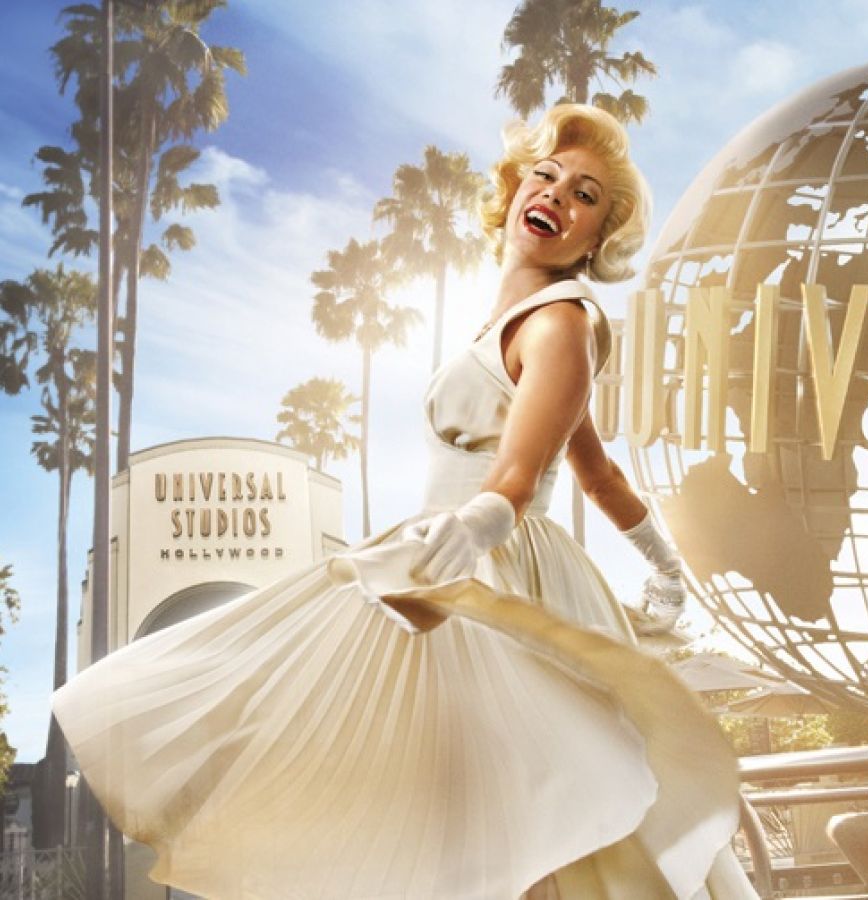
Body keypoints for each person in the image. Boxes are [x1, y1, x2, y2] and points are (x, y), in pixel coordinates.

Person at [51, 103, 757, 899]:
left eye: (587, 195)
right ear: (516, 187)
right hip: (453, 557)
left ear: (597, 240)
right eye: (547, 174)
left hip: (493, 573)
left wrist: (469, 533)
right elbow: (597, 474)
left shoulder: (560, 325)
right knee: (481, 806)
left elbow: (518, 481)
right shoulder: (518, 326)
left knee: (533, 810)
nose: (558, 194)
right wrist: (664, 573)